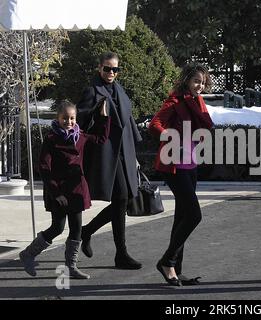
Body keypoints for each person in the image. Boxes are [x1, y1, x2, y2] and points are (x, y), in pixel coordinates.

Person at [19, 100, 110, 279]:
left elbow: (101, 139)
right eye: (65, 118)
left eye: (72, 118)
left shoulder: (80, 136)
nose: (69, 122)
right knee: (58, 227)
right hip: (59, 191)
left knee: (76, 228)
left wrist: (104, 117)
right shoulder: (51, 139)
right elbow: (44, 167)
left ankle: (71, 267)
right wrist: (56, 193)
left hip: (77, 189)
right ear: (58, 118)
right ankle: (28, 254)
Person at [149, 63, 213, 286]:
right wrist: (170, 137)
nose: (200, 86)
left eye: (203, 82)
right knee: (194, 215)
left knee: (182, 217)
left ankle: (176, 269)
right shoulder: (175, 101)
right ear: (187, 80)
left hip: (190, 165)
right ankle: (167, 261)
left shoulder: (198, 102)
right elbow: (154, 123)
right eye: (196, 81)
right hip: (173, 166)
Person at [77, 52, 143, 269]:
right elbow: (80, 121)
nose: (111, 73)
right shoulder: (91, 91)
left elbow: (128, 121)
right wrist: (98, 113)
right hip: (105, 153)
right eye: (107, 69)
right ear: (99, 68)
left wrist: (135, 157)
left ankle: (86, 232)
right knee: (121, 198)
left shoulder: (119, 89)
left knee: (122, 200)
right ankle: (120, 254)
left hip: (124, 153)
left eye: (115, 69)